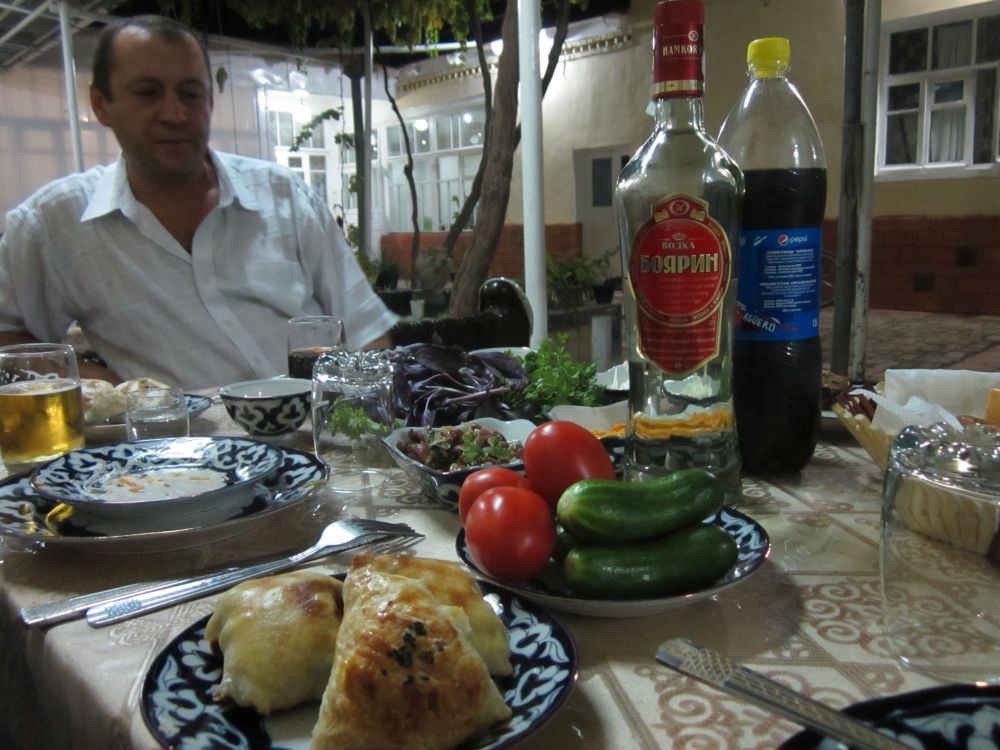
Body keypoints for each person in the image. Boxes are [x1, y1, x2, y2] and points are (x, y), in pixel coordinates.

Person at [0, 15, 397, 390]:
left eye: (191, 94)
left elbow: (366, 331)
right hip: (181, 440)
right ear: (101, 104)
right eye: (148, 92)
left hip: (323, 427)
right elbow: (7, 337)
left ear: (209, 102)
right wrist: (105, 387)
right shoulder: (54, 223)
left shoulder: (284, 195)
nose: (174, 114)